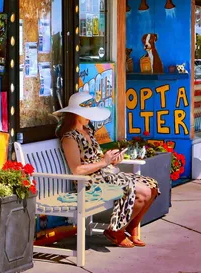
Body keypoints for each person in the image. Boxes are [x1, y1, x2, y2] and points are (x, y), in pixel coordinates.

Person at [54, 92, 159, 248]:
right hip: (89, 182)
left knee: (152, 186)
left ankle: (130, 225)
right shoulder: (70, 138)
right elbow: (77, 170)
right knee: (141, 191)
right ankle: (117, 230)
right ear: (76, 114)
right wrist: (104, 162)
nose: (89, 117)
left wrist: (111, 160)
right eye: (86, 113)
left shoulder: (87, 132)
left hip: (104, 175)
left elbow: (97, 159)